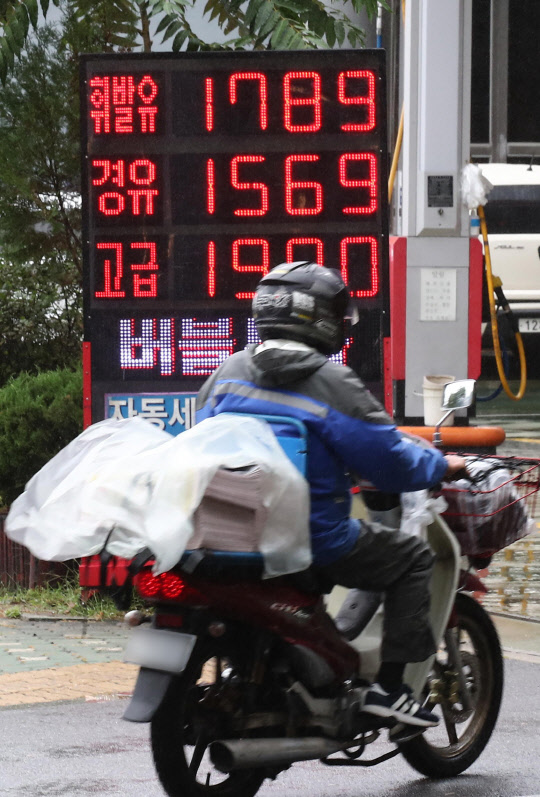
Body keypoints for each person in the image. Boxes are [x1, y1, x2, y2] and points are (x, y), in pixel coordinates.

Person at [196, 261, 467, 728]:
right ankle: (392, 690)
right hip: (312, 539)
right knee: (412, 558)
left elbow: (199, 441)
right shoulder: (332, 382)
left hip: (228, 533)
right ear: (321, 319)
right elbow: (388, 459)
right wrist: (441, 465)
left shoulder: (227, 372)